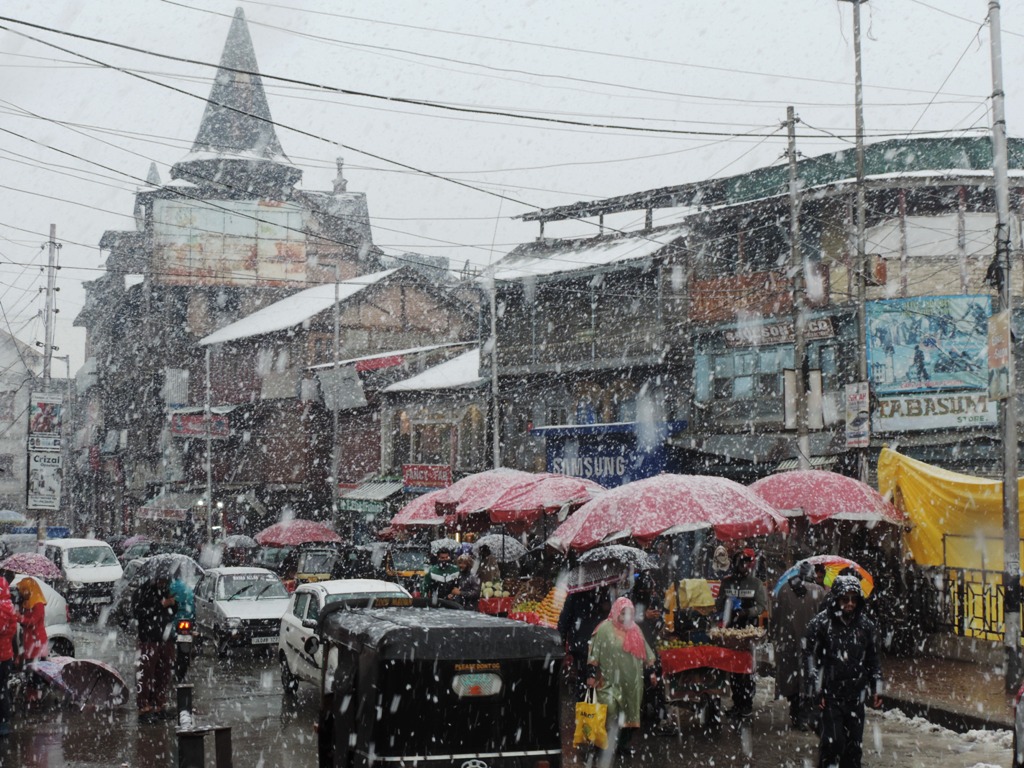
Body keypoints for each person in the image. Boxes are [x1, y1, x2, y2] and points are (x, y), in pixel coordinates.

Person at [803, 574, 882, 768]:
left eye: (854, 599)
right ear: (836, 599)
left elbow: (873, 659)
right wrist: (816, 689)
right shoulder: (820, 624)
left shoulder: (865, 626)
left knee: (854, 747)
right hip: (831, 694)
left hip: (855, 694)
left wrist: (876, 686)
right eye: (845, 599)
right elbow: (809, 658)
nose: (850, 604)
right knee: (834, 743)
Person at [585, 597, 657, 762]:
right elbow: (594, 653)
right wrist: (591, 674)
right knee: (609, 710)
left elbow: (646, 653)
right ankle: (603, 745)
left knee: (630, 714)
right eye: (623, 613)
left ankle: (622, 745)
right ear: (616, 611)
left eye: (629, 613)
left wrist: (652, 672)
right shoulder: (604, 629)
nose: (626, 617)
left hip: (632, 684)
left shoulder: (635, 630)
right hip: (608, 681)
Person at [771, 561, 826, 730]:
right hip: (811, 645)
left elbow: (776, 618)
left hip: (788, 643)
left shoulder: (783, 590)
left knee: (792, 679)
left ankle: (796, 713)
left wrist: (776, 636)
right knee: (808, 679)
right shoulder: (819, 592)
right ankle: (805, 715)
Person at [715, 548, 767, 718]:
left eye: (747, 562)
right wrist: (726, 603)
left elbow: (761, 606)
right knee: (733, 669)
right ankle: (737, 702)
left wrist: (747, 612)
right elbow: (718, 604)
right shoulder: (727, 582)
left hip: (748, 632)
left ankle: (746, 703)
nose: (744, 566)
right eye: (741, 562)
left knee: (747, 668)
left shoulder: (756, 583)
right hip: (731, 631)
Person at [134, 573, 176, 721]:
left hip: (166, 638)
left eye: (165, 580)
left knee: (164, 672)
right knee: (146, 673)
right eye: (161, 579)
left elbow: (172, 612)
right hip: (148, 639)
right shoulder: (142, 592)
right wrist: (161, 605)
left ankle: (159, 704)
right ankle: (144, 706)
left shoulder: (166, 590)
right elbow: (139, 613)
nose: (164, 582)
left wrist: (172, 603)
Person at [558, 586, 611, 700]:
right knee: (596, 679)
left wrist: (562, 643)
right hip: (597, 643)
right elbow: (607, 616)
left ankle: (582, 702)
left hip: (580, 644)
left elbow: (564, 621)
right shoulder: (602, 592)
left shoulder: (575, 594)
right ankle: (593, 702)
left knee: (581, 678)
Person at [0, 579, 17, 737]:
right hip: (6, 655)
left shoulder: (3, 608)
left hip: (2, 656)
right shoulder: (9, 606)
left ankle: (4, 724)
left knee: (2, 690)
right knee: (3, 689)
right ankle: (4, 722)